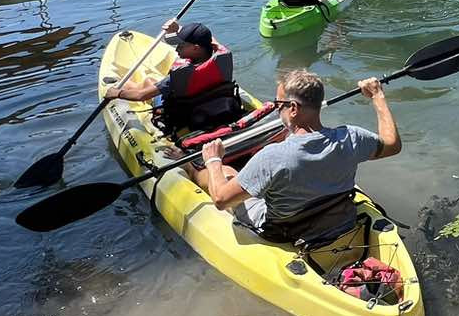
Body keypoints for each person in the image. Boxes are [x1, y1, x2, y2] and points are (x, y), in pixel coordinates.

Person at [189, 68, 399, 240]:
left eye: (278, 105)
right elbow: (392, 145)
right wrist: (377, 96)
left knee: (225, 171)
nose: (276, 110)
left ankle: (188, 169)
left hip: (283, 231)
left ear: (293, 109)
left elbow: (221, 200)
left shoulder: (271, 157)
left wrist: (213, 160)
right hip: (336, 218)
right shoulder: (352, 137)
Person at [107, 21, 236, 133]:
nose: (176, 49)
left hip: (186, 116)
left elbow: (140, 96)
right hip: (217, 104)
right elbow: (210, 38)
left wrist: (117, 93)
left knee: (148, 81)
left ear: (196, 48)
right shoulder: (222, 58)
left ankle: (125, 85)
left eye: (181, 45)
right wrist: (179, 29)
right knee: (153, 81)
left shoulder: (181, 76)